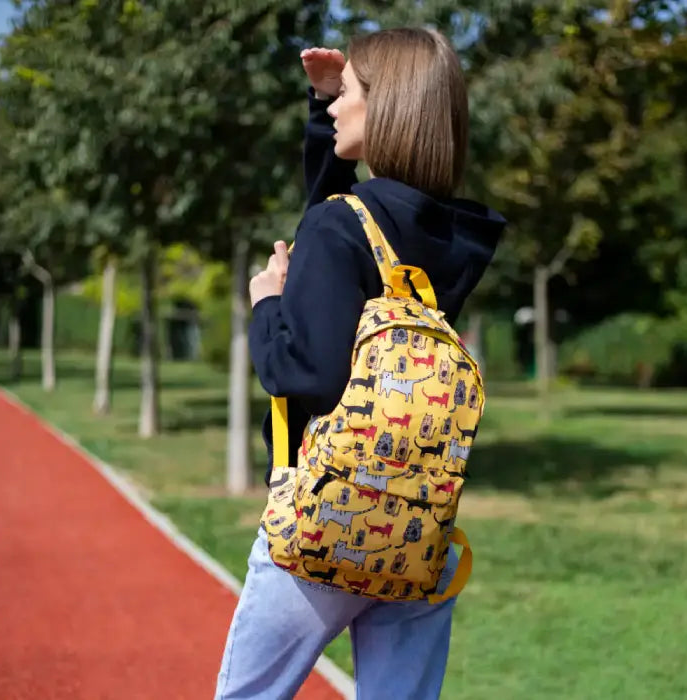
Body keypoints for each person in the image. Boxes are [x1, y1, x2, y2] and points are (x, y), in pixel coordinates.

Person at [214, 28, 506, 700]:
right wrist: (321, 108)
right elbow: (344, 220)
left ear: (386, 109)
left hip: (323, 524)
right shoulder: (454, 237)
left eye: (344, 97)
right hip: (419, 531)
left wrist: (266, 304)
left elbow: (302, 372)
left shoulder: (340, 228)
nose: (336, 108)